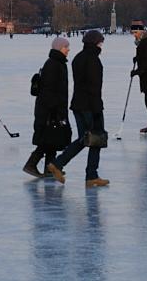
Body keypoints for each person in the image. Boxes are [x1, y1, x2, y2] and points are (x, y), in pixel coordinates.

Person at [47, 30, 109, 188]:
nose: (102, 45)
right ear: (96, 43)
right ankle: (89, 175)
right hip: (90, 106)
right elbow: (94, 87)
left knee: (84, 138)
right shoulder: (93, 60)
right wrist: (96, 110)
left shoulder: (78, 58)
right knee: (96, 138)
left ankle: (61, 164)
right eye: (101, 42)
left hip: (78, 105)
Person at [24, 37, 70, 178]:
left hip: (51, 108)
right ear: (59, 48)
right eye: (65, 47)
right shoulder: (53, 65)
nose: (68, 50)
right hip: (49, 110)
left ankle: (50, 169)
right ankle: (31, 164)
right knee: (47, 139)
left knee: (52, 139)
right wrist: (56, 110)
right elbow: (49, 91)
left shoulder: (57, 63)